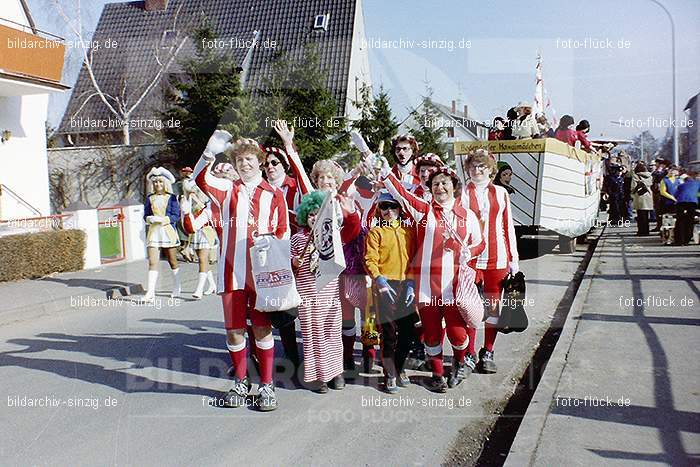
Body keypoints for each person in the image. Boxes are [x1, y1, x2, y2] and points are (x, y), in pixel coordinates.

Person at [193, 130, 290, 412]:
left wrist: (272, 242)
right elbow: (200, 179)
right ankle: (240, 380)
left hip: (261, 275)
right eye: (239, 160)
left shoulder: (274, 194)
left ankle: (267, 385)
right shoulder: (227, 190)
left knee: (261, 327)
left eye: (249, 159)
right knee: (235, 330)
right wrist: (210, 152)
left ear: (259, 161)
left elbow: (283, 231)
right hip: (230, 271)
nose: (244, 164)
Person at [382, 166, 485, 392]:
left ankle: (459, 362)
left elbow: (480, 243)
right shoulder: (424, 211)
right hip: (427, 288)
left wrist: (471, 251)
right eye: (436, 183)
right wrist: (379, 166)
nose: (440, 187)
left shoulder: (467, 216)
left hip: (454, 288)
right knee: (432, 334)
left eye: (445, 183)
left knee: (458, 334)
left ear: (454, 187)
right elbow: (401, 194)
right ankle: (437, 374)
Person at [291, 190, 359, 392]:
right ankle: (318, 376)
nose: (314, 218)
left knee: (331, 333)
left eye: (318, 214)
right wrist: (294, 261)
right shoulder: (296, 239)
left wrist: (350, 213)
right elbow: (289, 264)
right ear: (305, 216)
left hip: (329, 294)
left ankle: (335, 372)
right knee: (313, 335)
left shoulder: (332, 236)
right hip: (307, 294)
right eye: (311, 214)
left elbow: (352, 232)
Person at [460, 149, 519, 374]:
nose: (477, 170)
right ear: (468, 169)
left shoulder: (501, 193)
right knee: (471, 308)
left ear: (491, 170)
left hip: (498, 258)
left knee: (492, 308)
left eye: (482, 166)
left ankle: (488, 351)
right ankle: (469, 353)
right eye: (473, 166)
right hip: (472, 260)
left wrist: (514, 259)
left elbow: (507, 227)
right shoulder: (462, 193)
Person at [364, 191, 417, 393]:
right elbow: (370, 259)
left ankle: (400, 367)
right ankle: (389, 374)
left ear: (399, 208)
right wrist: (379, 279)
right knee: (388, 333)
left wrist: (411, 282)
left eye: (392, 206)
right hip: (385, 285)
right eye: (384, 207)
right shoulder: (375, 232)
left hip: (405, 284)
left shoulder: (408, 231)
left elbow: (413, 257)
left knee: (407, 331)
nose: (388, 211)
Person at [142, 167, 181, 301]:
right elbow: (145, 214)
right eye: (155, 182)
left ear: (165, 183)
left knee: (172, 260)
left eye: (160, 182)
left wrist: (163, 219)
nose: (158, 185)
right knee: (153, 262)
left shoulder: (172, 198)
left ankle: (177, 286)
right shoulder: (150, 198)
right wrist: (149, 219)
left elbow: (176, 215)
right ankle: (150, 292)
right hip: (154, 232)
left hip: (167, 231)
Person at [180, 179, 217, 298]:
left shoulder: (208, 203)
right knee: (202, 261)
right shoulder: (188, 202)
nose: (194, 193)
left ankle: (199, 289)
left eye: (197, 191)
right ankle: (212, 285)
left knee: (202, 259)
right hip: (195, 233)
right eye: (193, 191)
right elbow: (186, 221)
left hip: (207, 232)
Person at [673, 171, 699, 245]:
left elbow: (675, 195)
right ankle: (687, 240)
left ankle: (679, 240)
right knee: (690, 221)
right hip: (692, 203)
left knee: (680, 221)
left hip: (680, 203)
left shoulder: (681, 186)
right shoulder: (697, 184)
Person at [631, 162, 653, 236]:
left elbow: (633, 187)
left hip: (640, 197)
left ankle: (641, 231)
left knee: (640, 216)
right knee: (646, 216)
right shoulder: (650, 176)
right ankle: (646, 231)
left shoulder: (636, 176)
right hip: (648, 197)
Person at [651, 159, 669, 231]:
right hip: (657, 192)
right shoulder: (660, 171)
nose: (656, 165)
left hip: (661, 193)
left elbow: (658, 176)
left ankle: (661, 226)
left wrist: (658, 171)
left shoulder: (666, 171)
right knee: (658, 210)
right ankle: (659, 225)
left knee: (660, 210)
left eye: (657, 164)